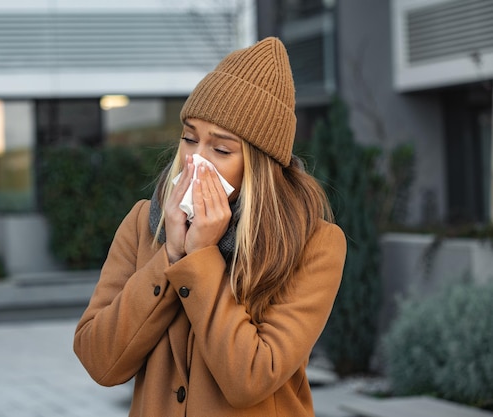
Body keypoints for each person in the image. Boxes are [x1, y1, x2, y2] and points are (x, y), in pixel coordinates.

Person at [74, 37, 347, 417]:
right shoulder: (143, 223)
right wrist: (170, 253)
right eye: (189, 138)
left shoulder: (313, 243)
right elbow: (99, 361)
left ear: (260, 165)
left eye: (221, 149)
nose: (195, 159)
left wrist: (200, 257)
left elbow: (250, 379)